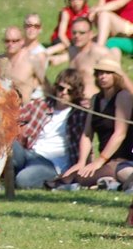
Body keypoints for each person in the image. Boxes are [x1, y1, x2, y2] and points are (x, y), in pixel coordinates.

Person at [48, 58, 133, 191]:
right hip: (107, 160)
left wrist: (99, 161)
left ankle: (115, 183)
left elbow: (120, 134)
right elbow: (87, 134)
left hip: (122, 159)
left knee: (78, 178)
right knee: (72, 176)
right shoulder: (96, 99)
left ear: (116, 75)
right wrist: (81, 162)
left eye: (107, 73)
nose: (102, 76)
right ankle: (111, 184)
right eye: (99, 73)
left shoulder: (123, 96)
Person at [9, 69, 86, 189]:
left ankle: (52, 183)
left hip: (51, 163)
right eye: (61, 88)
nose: (64, 93)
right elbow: (15, 118)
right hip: (30, 153)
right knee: (8, 143)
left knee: (22, 180)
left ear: (76, 93)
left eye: (69, 91)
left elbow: (87, 137)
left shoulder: (80, 114)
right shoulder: (41, 104)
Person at [46, 17, 121, 103]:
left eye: (82, 33)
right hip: (72, 101)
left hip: (92, 102)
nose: (77, 36)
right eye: (74, 33)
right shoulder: (72, 51)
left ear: (90, 34)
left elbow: (117, 82)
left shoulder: (100, 52)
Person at [0, 25, 45, 104]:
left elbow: (45, 85)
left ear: (22, 41)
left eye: (14, 41)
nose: (10, 44)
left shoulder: (31, 60)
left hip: (23, 110)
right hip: (2, 109)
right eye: (7, 41)